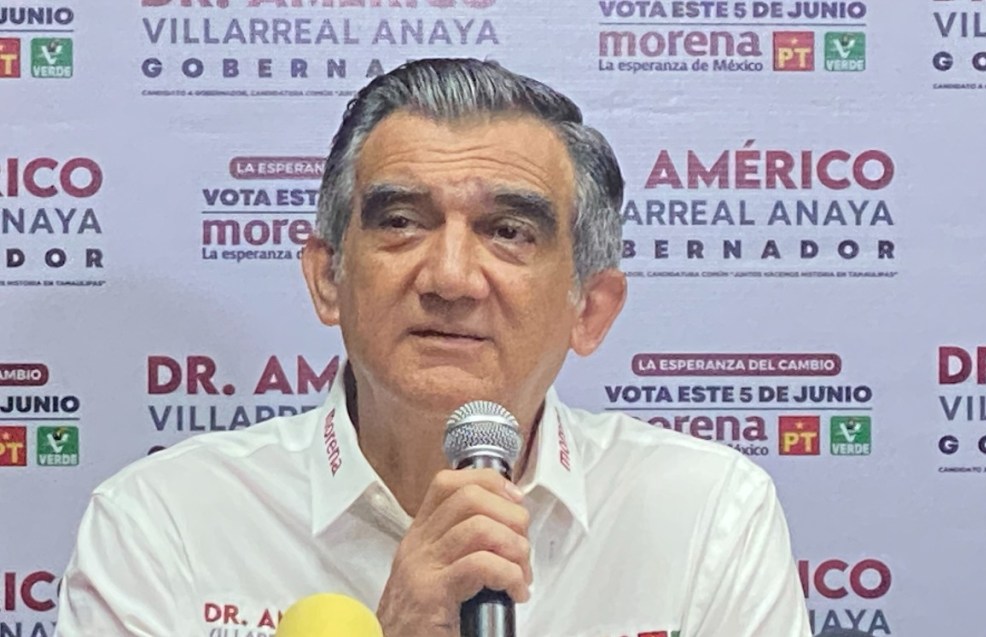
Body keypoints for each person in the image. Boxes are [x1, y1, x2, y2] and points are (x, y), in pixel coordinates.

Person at [56, 58, 812, 636]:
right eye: (402, 222)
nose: (451, 277)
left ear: (590, 309)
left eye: (508, 231)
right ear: (327, 278)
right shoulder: (163, 524)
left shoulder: (706, 513)